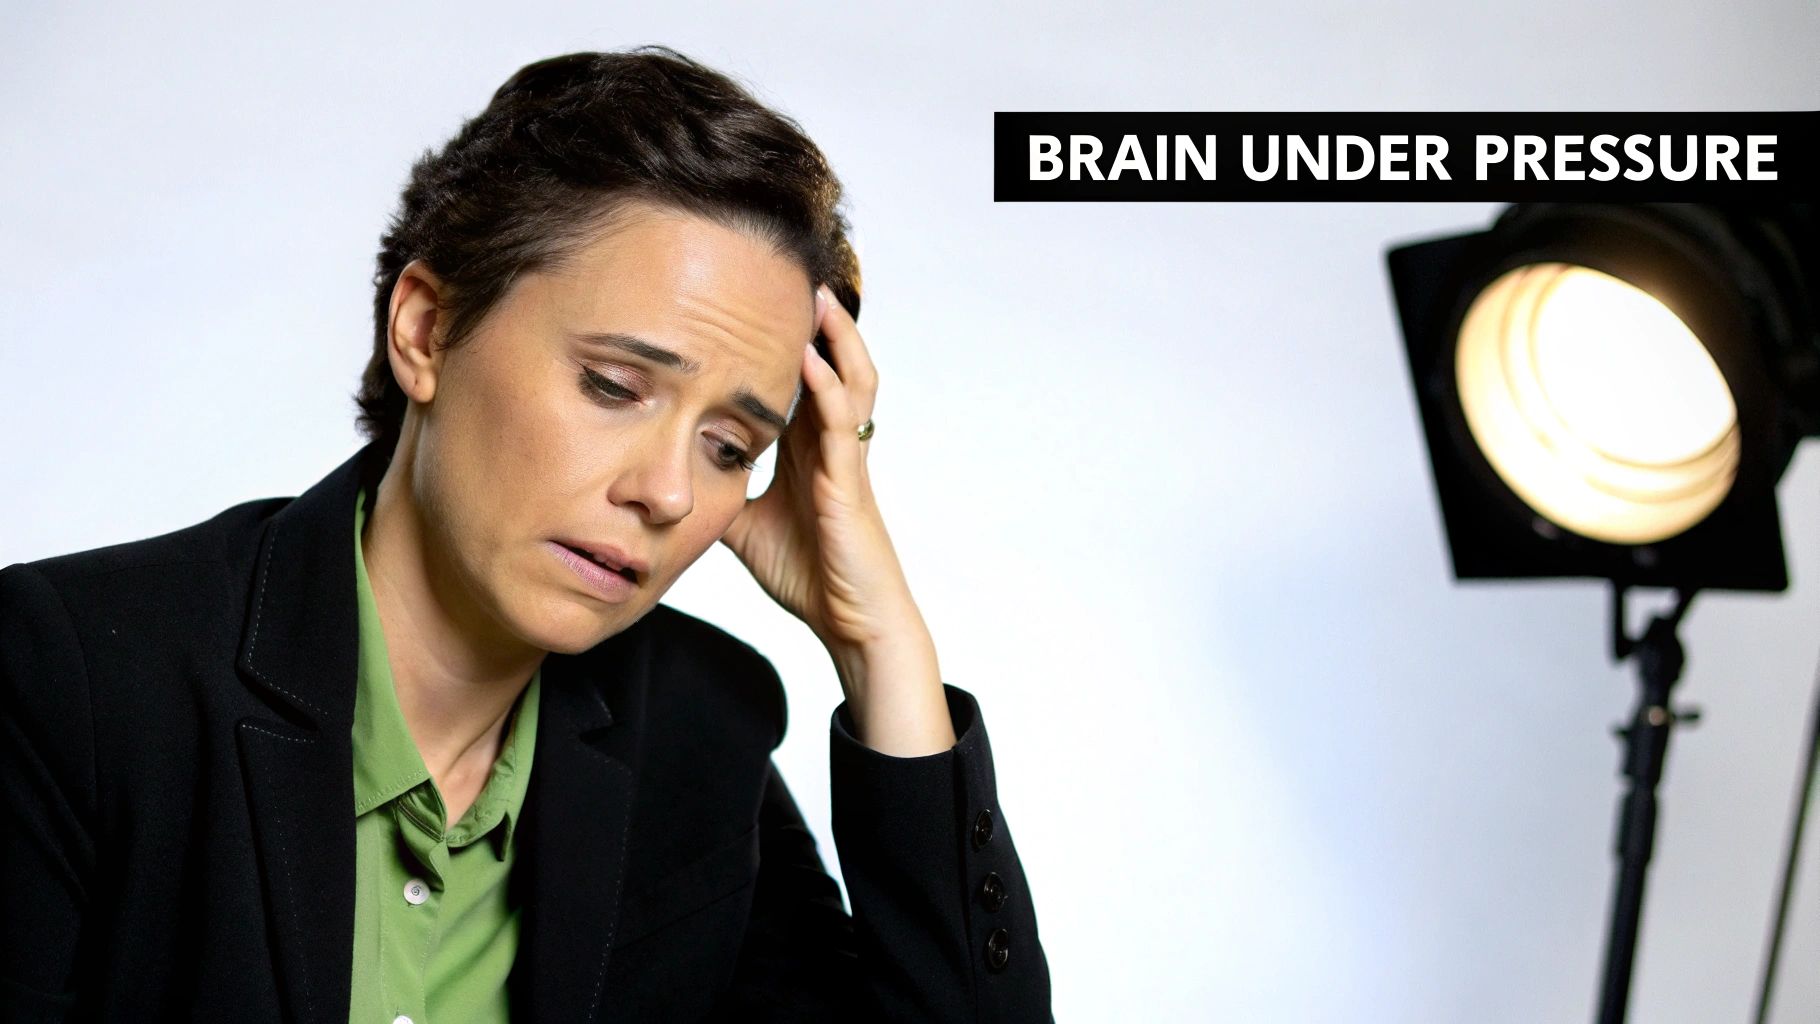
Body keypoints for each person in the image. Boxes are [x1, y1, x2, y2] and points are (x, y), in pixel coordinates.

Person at [0, 47, 1052, 1023]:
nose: (668, 492)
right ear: (425, 328)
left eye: (731, 446)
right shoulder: (74, 677)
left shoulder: (692, 737)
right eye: (611, 385)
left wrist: (884, 649)